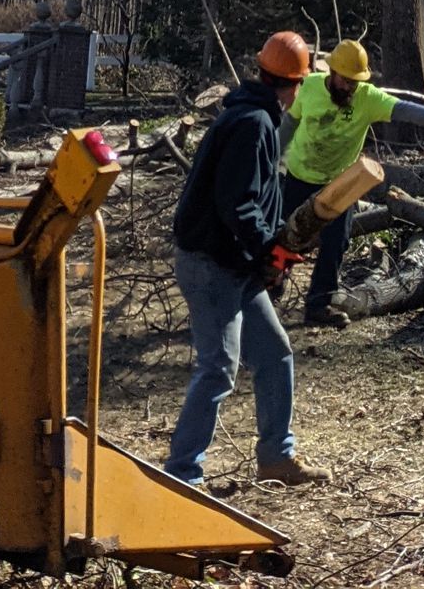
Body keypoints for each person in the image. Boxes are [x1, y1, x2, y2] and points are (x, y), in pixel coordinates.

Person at [164, 31, 329, 492]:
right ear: (295, 85)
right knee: (218, 366)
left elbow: (252, 199)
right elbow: (237, 203)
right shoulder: (254, 122)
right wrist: (269, 248)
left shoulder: (253, 115)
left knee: (275, 354)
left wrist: (268, 250)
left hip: (232, 264)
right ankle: (181, 474)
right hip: (212, 263)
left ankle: (277, 457)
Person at [280, 39, 404, 327]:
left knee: (337, 240)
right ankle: (271, 283)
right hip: (300, 174)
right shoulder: (310, 87)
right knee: (287, 233)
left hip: (340, 180)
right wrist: (272, 159)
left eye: (354, 82)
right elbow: (289, 124)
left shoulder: (368, 97)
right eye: (345, 80)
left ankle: (318, 304)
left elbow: (402, 109)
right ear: (332, 73)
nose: (349, 87)